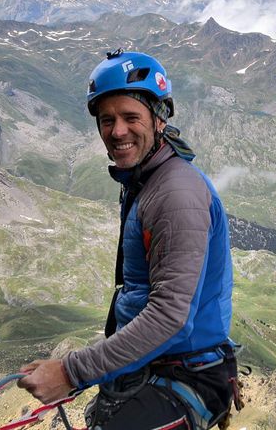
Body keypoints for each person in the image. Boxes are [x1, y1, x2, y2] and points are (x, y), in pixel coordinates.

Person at [17, 49, 238, 429]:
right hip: (158, 365)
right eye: (107, 120)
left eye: (130, 117)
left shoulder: (175, 195)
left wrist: (71, 372)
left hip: (187, 374)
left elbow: (170, 316)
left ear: (159, 118)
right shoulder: (146, 178)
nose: (117, 131)